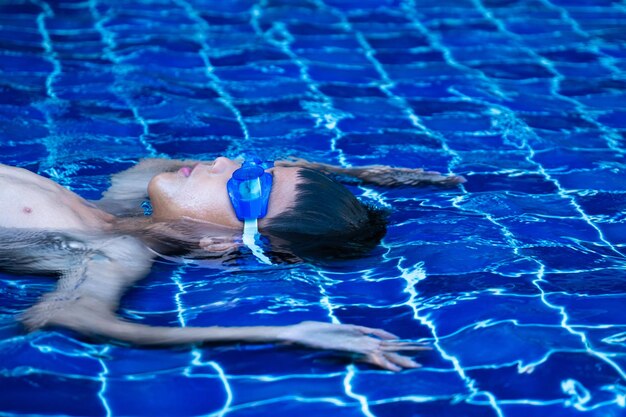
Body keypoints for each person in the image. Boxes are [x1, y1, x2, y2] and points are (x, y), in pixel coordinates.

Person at [0, 157, 464, 371]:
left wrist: (283, 332)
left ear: (216, 243)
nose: (222, 160)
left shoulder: (112, 252)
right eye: (251, 165)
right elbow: (152, 165)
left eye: (244, 185)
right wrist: (357, 175)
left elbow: (74, 314)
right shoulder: (113, 208)